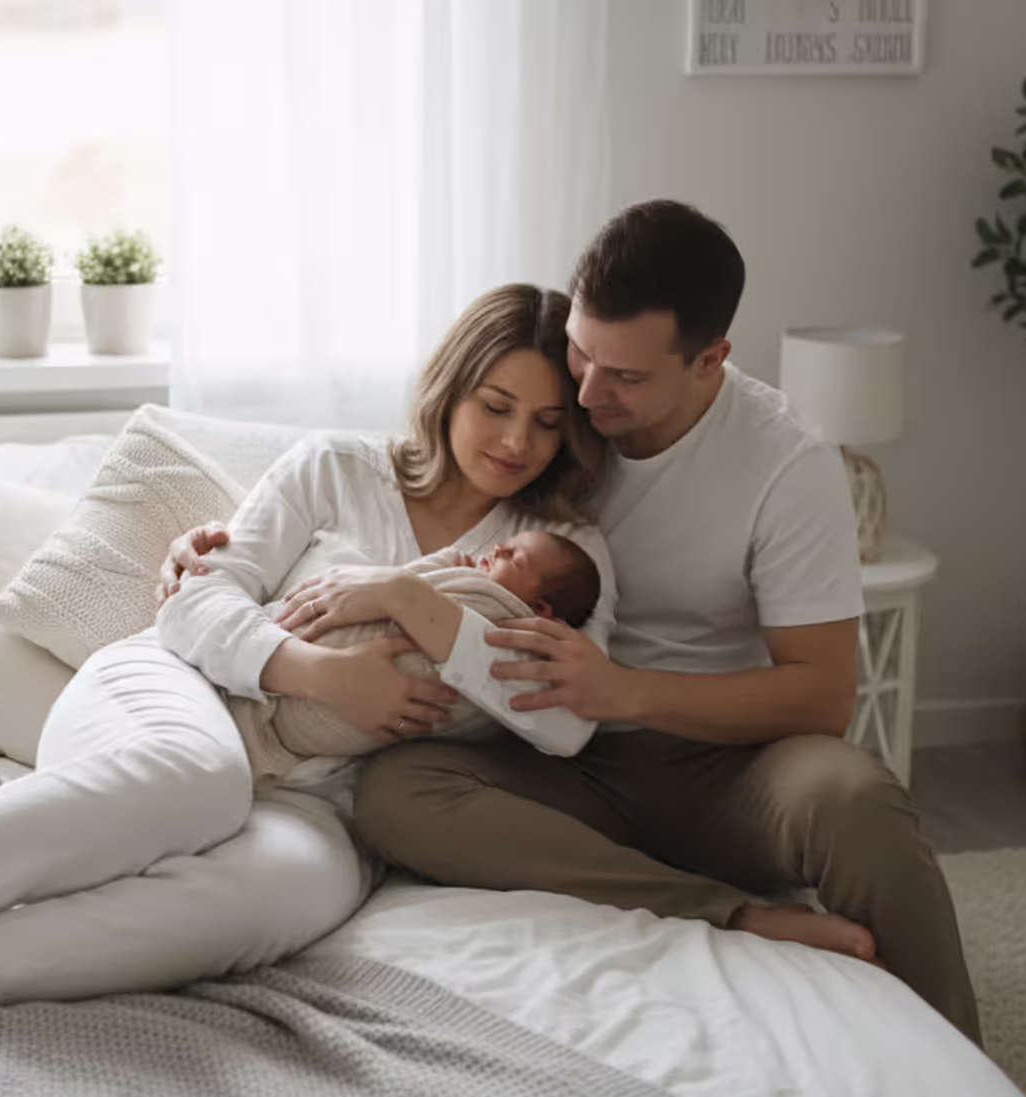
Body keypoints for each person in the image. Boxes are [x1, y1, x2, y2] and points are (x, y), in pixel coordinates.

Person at [0, 282, 863, 1030]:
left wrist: (416, 610)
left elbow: (558, 726)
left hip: (324, 801)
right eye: (496, 404)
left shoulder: (566, 548)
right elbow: (192, 603)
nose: (516, 439)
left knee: (268, 900)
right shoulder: (334, 466)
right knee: (199, 781)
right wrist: (312, 671)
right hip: (165, 700)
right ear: (450, 389)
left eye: (547, 420)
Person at [168, 201, 983, 1044]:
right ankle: (731, 915)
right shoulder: (554, 424)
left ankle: (962, 1053)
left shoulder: (785, 463)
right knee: (401, 793)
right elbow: (403, 472)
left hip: (722, 767)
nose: (587, 394)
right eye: (582, 355)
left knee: (854, 797)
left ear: (710, 360)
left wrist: (625, 690)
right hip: (562, 762)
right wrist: (201, 552)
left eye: (624, 376)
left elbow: (821, 698)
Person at [239, 529, 604, 780]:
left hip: (293, 692)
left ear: (539, 608)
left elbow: (404, 580)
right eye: (504, 544)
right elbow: (384, 586)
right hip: (275, 668)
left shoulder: (504, 623)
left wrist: (442, 564)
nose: (496, 549)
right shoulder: (466, 591)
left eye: (514, 557)